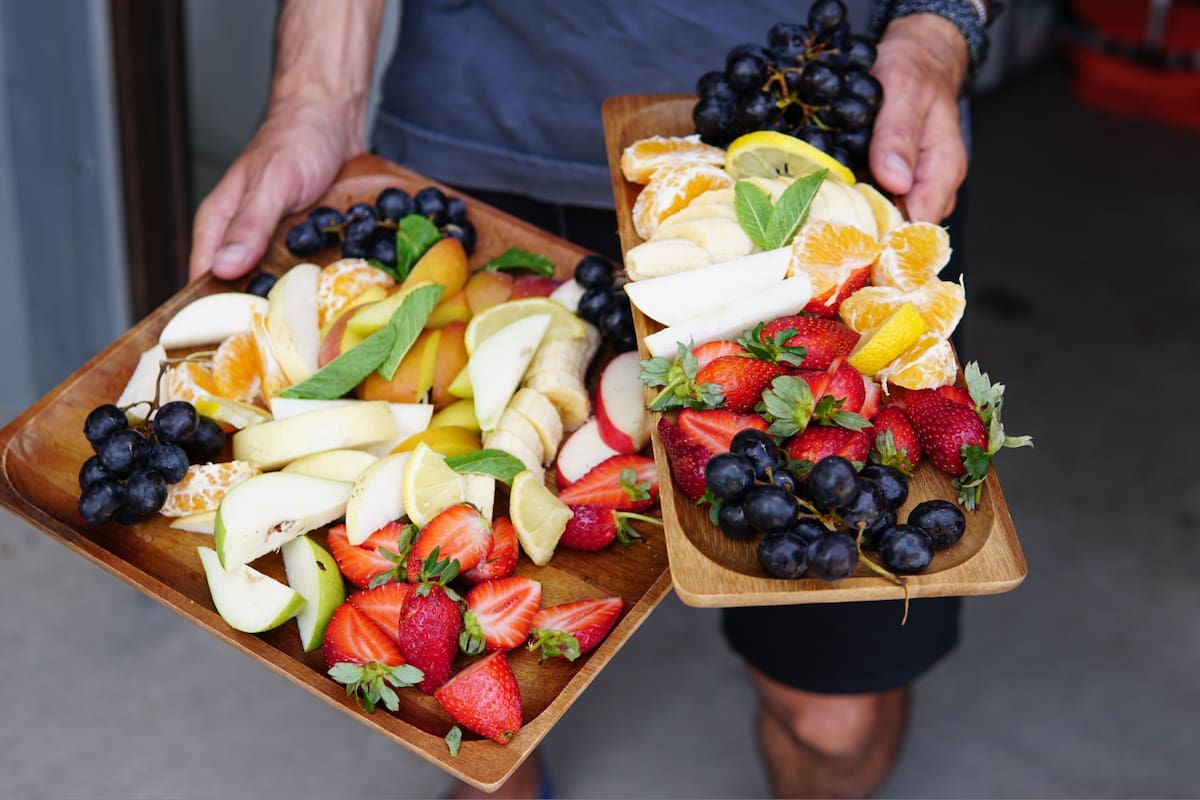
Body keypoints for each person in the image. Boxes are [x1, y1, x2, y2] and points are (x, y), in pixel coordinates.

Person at [188, 2, 994, 797]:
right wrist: (314, 99)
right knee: (466, 693)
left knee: (834, 718)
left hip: (808, 164)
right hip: (481, 123)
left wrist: (935, 27)